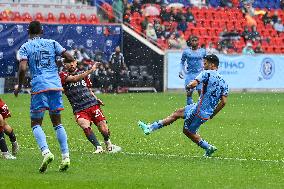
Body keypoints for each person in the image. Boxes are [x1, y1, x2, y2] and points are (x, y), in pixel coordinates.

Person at [14, 21, 75, 173]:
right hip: (55, 85)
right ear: (42, 30)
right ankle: (66, 156)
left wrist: (19, 86)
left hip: (39, 86)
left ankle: (46, 153)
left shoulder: (26, 47)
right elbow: (69, 56)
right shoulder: (52, 43)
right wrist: (62, 62)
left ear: (28, 32)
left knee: (35, 123)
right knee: (57, 122)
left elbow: (22, 68)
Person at [138, 54, 228, 157]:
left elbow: (194, 84)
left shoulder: (206, 73)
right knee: (177, 113)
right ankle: (150, 127)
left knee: (187, 131)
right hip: (203, 109)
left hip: (199, 111)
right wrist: (213, 113)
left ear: (212, 65)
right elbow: (224, 101)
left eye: (205, 63)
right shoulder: (224, 81)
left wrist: (189, 85)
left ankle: (208, 147)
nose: (204, 66)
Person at [59, 60, 121, 153]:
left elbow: (89, 89)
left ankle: (107, 141)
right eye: (68, 63)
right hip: (79, 108)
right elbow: (74, 79)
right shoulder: (62, 75)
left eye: (72, 62)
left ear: (76, 62)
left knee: (104, 129)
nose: (71, 64)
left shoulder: (83, 74)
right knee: (84, 124)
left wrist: (96, 98)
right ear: (65, 64)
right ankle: (98, 147)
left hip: (92, 104)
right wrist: (91, 70)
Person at [179, 35, 206, 105]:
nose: (194, 42)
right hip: (190, 75)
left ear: (198, 42)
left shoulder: (202, 51)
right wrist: (180, 70)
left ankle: (200, 111)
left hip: (199, 75)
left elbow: (206, 62)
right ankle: (189, 110)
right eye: (192, 41)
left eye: (195, 40)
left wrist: (207, 71)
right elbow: (182, 62)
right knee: (189, 93)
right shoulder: (186, 52)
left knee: (201, 94)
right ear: (190, 42)